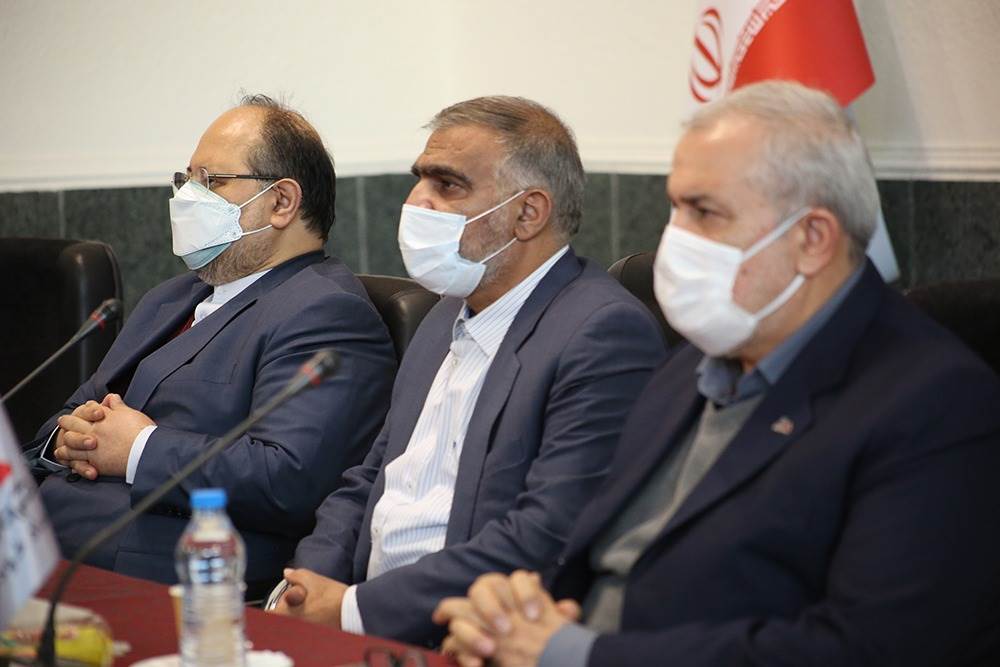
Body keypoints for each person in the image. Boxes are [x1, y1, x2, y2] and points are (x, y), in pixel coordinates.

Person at [434, 81, 1000, 666]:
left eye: (705, 213)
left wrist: (578, 655)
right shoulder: (689, 368)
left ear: (812, 239)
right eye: (674, 208)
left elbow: (870, 649)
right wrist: (511, 613)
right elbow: (606, 556)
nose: (673, 241)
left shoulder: (935, 404)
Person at [270, 96, 667, 644]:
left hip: (463, 635)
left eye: (448, 185)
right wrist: (304, 586)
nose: (417, 201)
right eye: (419, 179)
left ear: (528, 213)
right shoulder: (443, 315)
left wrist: (352, 609)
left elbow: (544, 536)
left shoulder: (602, 333)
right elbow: (371, 477)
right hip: (357, 623)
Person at [27, 95, 398, 597]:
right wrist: (68, 437)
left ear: (282, 202)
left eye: (211, 181)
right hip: (46, 548)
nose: (188, 197)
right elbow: (78, 409)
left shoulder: (327, 311)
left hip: (165, 578)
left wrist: (139, 448)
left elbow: (287, 479)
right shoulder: (170, 297)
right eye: (186, 180)